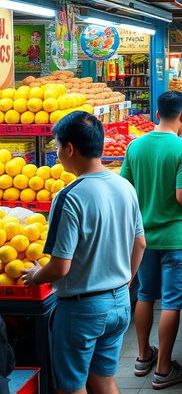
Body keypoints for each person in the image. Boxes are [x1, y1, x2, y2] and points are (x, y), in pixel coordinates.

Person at [21, 111, 146, 394]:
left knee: (72, 386)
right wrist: (125, 281)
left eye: (56, 146)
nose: (56, 152)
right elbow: (140, 243)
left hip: (83, 309)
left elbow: (60, 267)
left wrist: (35, 276)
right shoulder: (125, 186)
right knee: (103, 379)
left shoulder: (69, 196)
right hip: (119, 303)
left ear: (69, 148)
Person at [121, 91, 182, 389]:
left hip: (143, 238)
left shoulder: (135, 146)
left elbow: (126, 191)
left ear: (157, 113)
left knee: (145, 295)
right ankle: (163, 369)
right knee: (172, 303)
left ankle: (143, 356)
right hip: (176, 239)